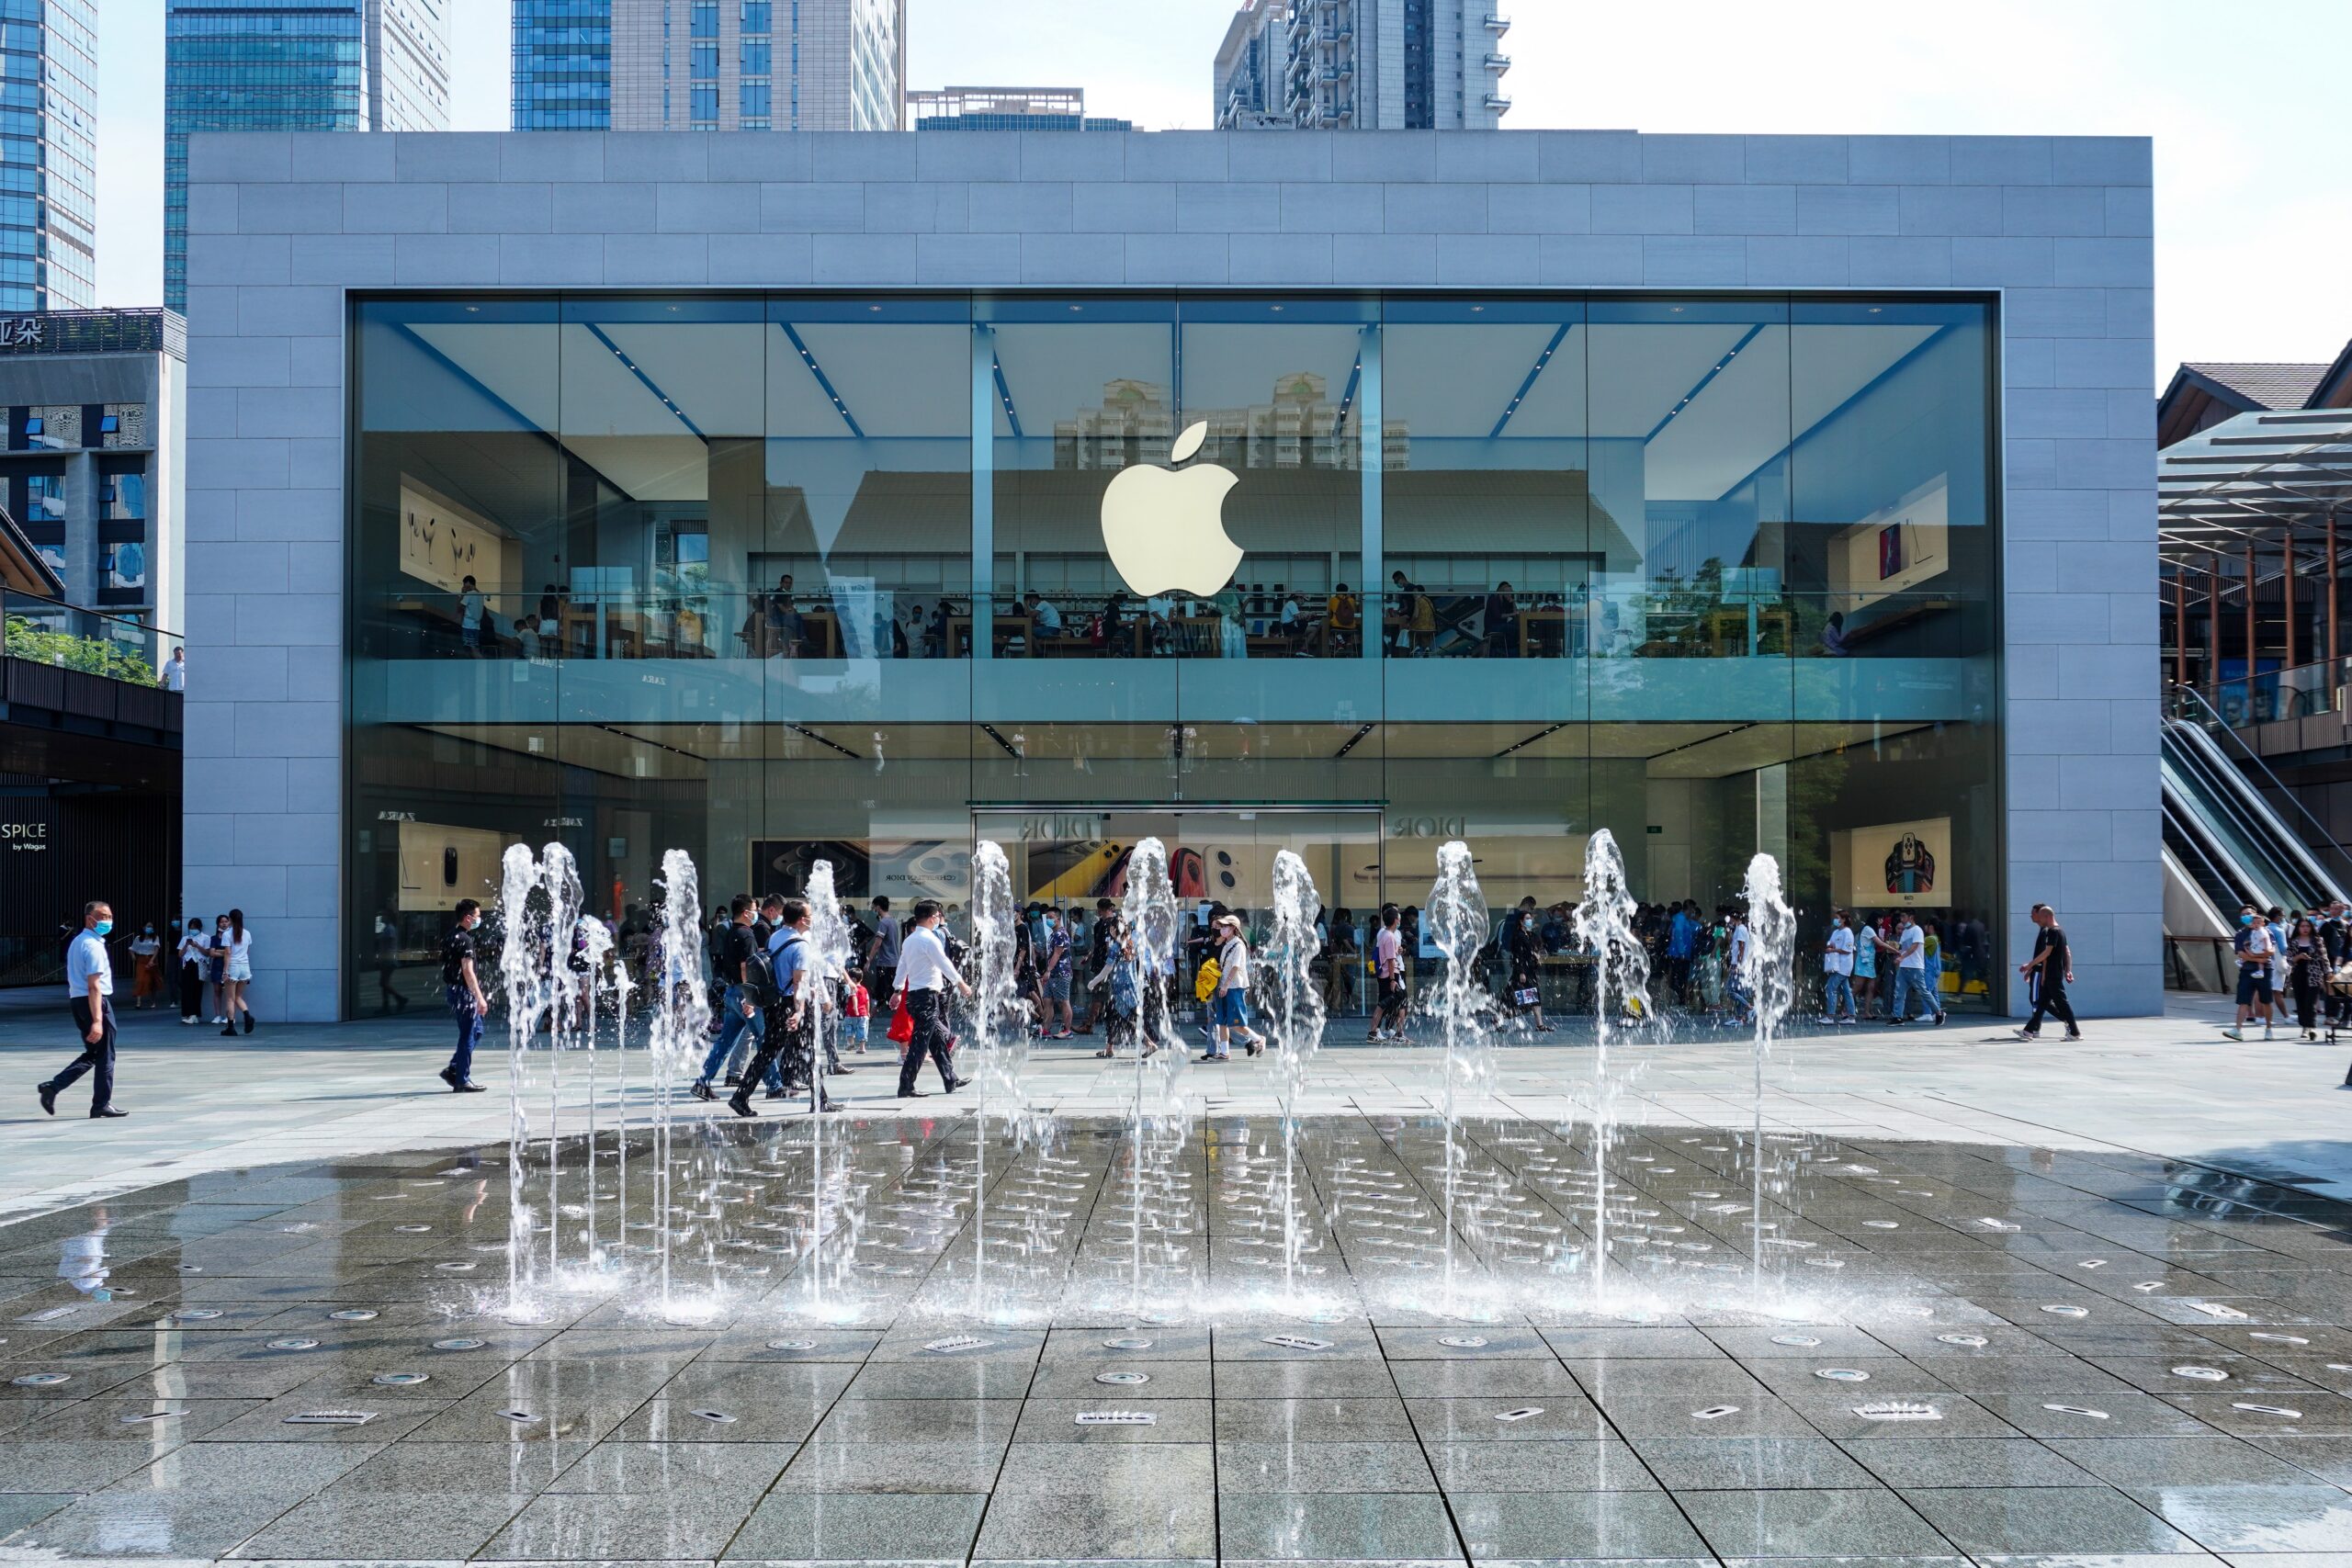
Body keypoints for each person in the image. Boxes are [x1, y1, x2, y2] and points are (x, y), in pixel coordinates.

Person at [731, 897, 837, 1119]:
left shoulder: (776, 936)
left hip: (773, 1002)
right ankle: (820, 1100)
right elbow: (798, 982)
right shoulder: (800, 946)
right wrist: (799, 1012)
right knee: (809, 1049)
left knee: (769, 1050)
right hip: (791, 1004)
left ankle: (741, 1096)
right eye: (810, 916)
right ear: (802, 920)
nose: (812, 919)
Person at [40, 900, 125, 1118]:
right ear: (90, 918)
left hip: (77, 1001)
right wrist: (97, 1019)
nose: (108, 920)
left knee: (93, 1053)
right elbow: (94, 984)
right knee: (105, 1055)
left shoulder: (78, 942)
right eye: (103, 916)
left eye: (110, 916)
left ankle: (53, 1087)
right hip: (94, 1002)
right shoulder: (93, 946)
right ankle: (101, 1104)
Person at [895, 899, 970, 1099]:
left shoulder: (910, 940)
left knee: (937, 1041)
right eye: (937, 916)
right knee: (920, 1043)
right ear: (931, 918)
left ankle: (950, 1078)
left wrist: (897, 989)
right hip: (926, 998)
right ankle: (906, 1085)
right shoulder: (929, 940)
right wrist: (960, 983)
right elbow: (943, 962)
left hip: (917, 997)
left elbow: (902, 965)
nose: (938, 919)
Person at [692, 896, 763, 1100]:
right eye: (754, 909)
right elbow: (745, 967)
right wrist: (750, 998)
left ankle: (702, 1082)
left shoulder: (731, 931)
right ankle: (776, 1085)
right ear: (745, 912)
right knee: (764, 1040)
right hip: (744, 993)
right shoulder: (747, 935)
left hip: (732, 991)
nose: (755, 912)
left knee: (725, 1041)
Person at [439, 898, 490, 1092]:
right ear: (468, 917)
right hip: (463, 992)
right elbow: (468, 972)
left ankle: (454, 1069)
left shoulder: (451, 936)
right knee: (468, 1034)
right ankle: (462, 1079)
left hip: (453, 990)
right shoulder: (465, 940)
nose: (480, 919)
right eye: (477, 916)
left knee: (476, 1031)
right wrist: (479, 997)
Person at [1204, 912, 1266, 1060]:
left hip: (1234, 987)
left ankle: (1258, 1039)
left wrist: (1225, 985)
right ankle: (1224, 1053)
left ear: (1233, 928)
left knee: (1236, 1023)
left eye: (1225, 926)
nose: (1222, 929)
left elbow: (1235, 967)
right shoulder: (1227, 944)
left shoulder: (1238, 945)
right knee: (1222, 1021)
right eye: (1222, 926)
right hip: (1224, 986)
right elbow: (1226, 965)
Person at [2017, 902, 2082, 1042]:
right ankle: (2029, 1031)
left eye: (2040, 917)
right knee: (2042, 1003)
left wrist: (2030, 965)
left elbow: (2047, 953)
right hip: (2051, 974)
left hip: (2053, 975)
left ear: (2047, 916)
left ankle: (2075, 1032)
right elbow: (2062, 954)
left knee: (2062, 1003)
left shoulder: (2053, 932)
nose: (2038, 920)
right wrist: (2064, 971)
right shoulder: (2060, 931)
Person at [2223, 902, 2275, 1043]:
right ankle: (2237, 1030)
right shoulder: (2240, 934)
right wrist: (2257, 958)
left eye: (2249, 914)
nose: (2247, 916)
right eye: (2244, 914)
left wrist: (2256, 957)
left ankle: (2269, 1029)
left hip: (2265, 971)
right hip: (2247, 970)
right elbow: (2242, 955)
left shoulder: (2266, 931)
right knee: (2243, 1001)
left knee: (2266, 1001)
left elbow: (2270, 952)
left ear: (2256, 915)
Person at [1886, 911, 1945, 1026]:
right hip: (1904, 966)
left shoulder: (1917, 930)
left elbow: (1914, 947)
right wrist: (1894, 950)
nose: (1901, 919)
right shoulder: (1905, 932)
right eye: (1901, 917)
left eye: (1904, 917)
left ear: (1911, 918)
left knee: (1924, 992)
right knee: (1899, 993)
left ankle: (1938, 1012)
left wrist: (1901, 957)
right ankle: (1897, 1017)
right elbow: (1902, 947)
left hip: (1915, 967)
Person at [1506, 903, 1550, 1032]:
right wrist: (1521, 972)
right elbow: (1518, 955)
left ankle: (1540, 1024)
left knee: (1534, 998)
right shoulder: (1519, 937)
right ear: (1521, 921)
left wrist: (1537, 956)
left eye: (1530, 918)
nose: (1530, 921)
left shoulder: (1529, 936)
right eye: (1527, 919)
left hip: (1530, 971)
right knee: (1512, 999)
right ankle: (1498, 1018)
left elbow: (1535, 950)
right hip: (1523, 972)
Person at [213, 908, 254, 1036]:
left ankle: (230, 1027)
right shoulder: (247, 933)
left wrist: (225, 972)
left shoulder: (227, 934)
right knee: (238, 997)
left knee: (230, 999)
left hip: (233, 968)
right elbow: (247, 952)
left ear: (230, 920)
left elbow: (228, 953)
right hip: (245, 968)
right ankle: (247, 1015)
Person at [1368, 903, 1407, 1042]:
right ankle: (1375, 1032)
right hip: (1388, 974)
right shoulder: (1389, 936)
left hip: (1385, 974)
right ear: (1396, 920)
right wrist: (1392, 979)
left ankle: (1377, 1031)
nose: (1400, 919)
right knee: (1384, 1003)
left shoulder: (1384, 934)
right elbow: (1391, 960)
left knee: (1385, 1003)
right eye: (1398, 917)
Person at [2288, 915, 2327, 1041]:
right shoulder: (2294, 941)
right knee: (2301, 1001)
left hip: (2314, 974)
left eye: (2307, 926)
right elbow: (2288, 959)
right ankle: (2305, 1026)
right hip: (2298, 974)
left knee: (2311, 1002)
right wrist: (2299, 957)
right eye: (2302, 926)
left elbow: (2324, 957)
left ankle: (2312, 1027)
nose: (2305, 928)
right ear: (2298, 927)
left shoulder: (2317, 940)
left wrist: (2328, 972)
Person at [1037, 906, 1075, 1039]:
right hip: (1053, 973)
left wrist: (1048, 971)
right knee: (1047, 1000)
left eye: (1051, 918)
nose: (1048, 920)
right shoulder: (1054, 934)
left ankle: (1067, 1030)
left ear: (1058, 919)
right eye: (1047, 918)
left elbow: (1057, 954)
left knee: (1064, 1001)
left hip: (1061, 972)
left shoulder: (1060, 934)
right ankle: (1046, 1029)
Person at [1819, 910, 1859, 1024]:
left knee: (1831, 988)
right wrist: (1830, 947)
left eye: (1838, 918)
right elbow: (1830, 943)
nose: (1836, 920)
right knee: (1846, 991)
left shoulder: (1848, 932)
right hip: (1836, 965)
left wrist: (1833, 950)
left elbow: (1847, 950)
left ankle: (1830, 1016)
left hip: (1843, 966)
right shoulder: (1836, 932)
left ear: (1844, 919)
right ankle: (1851, 1016)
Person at [864, 896, 900, 1014]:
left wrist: (869, 961)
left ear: (878, 907)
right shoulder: (893, 921)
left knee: (883, 994)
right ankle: (872, 1016)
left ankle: (870, 1018)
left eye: (874, 907)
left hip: (885, 963)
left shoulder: (883, 922)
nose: (873, 909)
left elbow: (877, 944)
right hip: (893, 962)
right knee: (888, 993)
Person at [175, 917, 207, 1024]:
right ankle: (188, 1014)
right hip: (187, 964)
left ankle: (195, 1014)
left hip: (199, 965)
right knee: (186, 989)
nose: (193, 930)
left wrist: (197, 946)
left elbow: (207, 953)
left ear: (200, 928)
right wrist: (186, 945)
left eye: (195, 928)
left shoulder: (205, 938)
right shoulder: (185, 938)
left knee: (197, 989)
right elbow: (180, 954)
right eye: (191, 928)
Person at [1850, 909, 1879, 1019]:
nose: (1881, 921)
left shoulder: (1872, 929)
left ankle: (1867, 1012)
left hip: (1869, 962)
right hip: (1863, 962)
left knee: (1871, 987)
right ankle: (1845, 1009)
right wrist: (1894, 950)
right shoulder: (1868, 929)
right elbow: (1879, 942)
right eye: (1879, 919)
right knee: (1858, 986)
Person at [129, 922, 161, 1010]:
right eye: (148, 926)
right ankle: (138, 1002)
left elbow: (156, 950)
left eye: (151, 926)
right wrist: (133, 955)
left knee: (152, 981)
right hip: (141, 960)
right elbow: (132, 948)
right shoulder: (138, 938)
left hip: (151, 959)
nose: (150, 928)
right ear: (143, 927)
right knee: (140, 979)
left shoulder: (155, 938)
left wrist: (152, 960)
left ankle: (153, 1001)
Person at [1483, 581, 1519, 658]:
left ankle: (1511, 649)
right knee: (1512, 628)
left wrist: (1512, 601)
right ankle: (1512, 652)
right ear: (1502, 591)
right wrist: (1513, 614)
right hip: (1492, 627)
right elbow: (1498, 616)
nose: (1510, 594)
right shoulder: (1494, 598)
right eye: (1508, 592)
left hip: (1500, 626)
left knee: (1516, 625)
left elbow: (1515, 614)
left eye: (1511, 592)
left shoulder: (1505, 601)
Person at [1325, 583, 1360, 656]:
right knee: (1349, 631)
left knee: (1332, 629)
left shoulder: (1333, 600)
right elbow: (1354, 611)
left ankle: (1340, 646)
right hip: (1351, 626)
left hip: (1337, 626)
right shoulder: (1352, 600)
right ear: (1346, 591)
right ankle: (1348, 643)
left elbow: (1329, 614)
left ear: (1336, 591)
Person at [458, 574, 485, 656]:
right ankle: (478, 665)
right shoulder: (481, 595)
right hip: (476, 626)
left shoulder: (469, 594)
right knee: (475, 648)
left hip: (468, 625)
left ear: (468, 583)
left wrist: (463, 593)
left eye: (464, 584)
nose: (464, 586)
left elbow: (461, 606)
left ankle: (472, 665)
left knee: (468, 648)